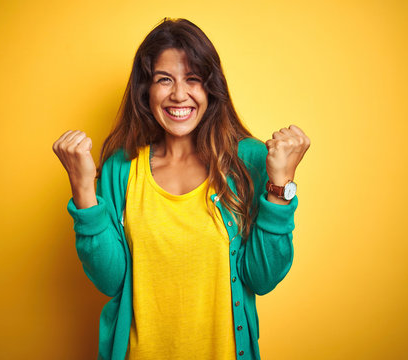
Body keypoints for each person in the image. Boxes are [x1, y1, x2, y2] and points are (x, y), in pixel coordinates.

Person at [52, 18, 310, 360]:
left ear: (211, 88)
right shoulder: (121, 167)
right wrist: (84, 190)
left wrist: (280, 185)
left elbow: (260, 278)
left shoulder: (247, 161)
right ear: (146, 90)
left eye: (193, 80)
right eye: (164, 80)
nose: (179, 94)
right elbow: (111, 281)